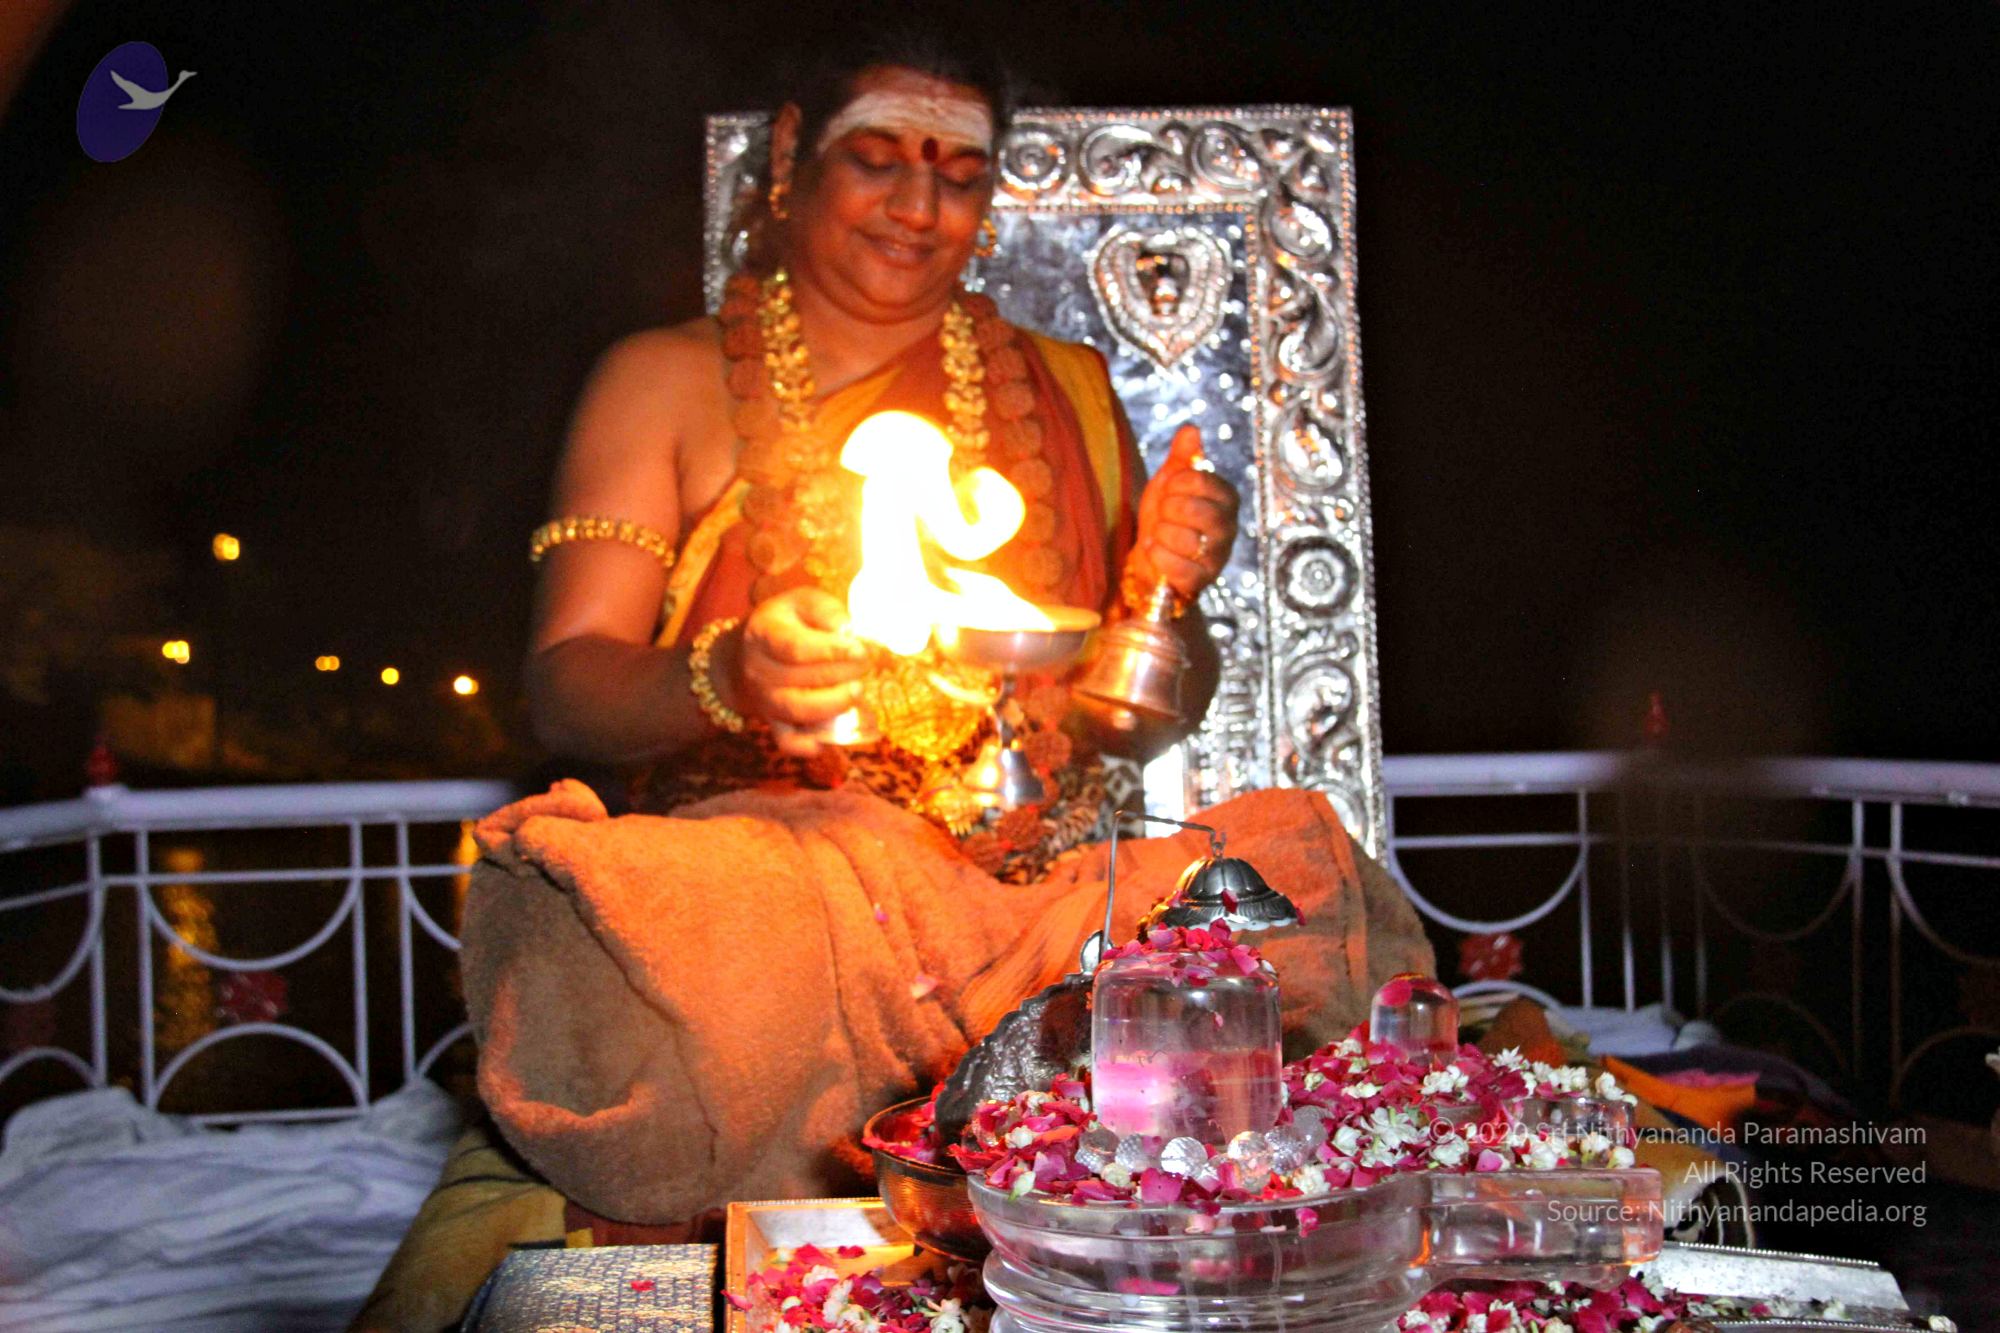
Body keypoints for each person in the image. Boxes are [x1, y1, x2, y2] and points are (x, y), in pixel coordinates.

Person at [355, 32, 1429, 1333]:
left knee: (1293, 878)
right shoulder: (665, 381)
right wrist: (731, 674)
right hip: (787, 898)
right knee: (680, 952)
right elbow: (566, 688)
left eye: (959, 176)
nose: (919, 207)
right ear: (789, 161)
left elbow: (1124, 721)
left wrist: (1162, 597)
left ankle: (1031, 1093)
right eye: (877, 159)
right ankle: (1002, 1093)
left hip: (1025, 894)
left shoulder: (1067, 389)